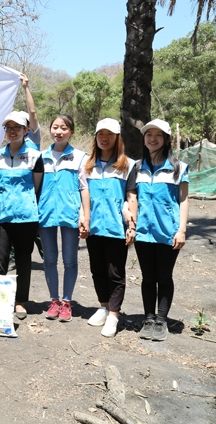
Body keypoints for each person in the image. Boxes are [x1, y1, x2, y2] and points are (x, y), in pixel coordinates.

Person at [127, 119, 189, 342]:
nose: (152, 138)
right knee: (147, 277)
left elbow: (183, 200)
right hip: (144, 232)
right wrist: (132, 226)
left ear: (167, 139)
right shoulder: (137, 167)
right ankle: (149, 318)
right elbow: (132, 197)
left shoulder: (178, 168)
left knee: (164, 276)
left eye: (158, 135)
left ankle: (161, 320)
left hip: (168, 232)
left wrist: (181, 230)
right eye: (148, 134)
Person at [84, 118, 137, 338]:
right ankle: (104, 306)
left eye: (110, 134)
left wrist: (132, 225)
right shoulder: (88, 165)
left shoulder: (128, 165)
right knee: (97, 270)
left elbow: (132, 195)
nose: (104, 138)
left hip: (116, 228)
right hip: (94, 228)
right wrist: (83, 218)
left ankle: (114, 315)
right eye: (100, 134)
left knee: (115, 273)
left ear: (117, 137)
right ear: (96, 137)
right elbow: (83, 195)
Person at [37, 115, 90, 322]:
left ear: (71, 132)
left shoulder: (80, 157)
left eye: (64, 128)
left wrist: (85, 215)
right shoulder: (41, 157)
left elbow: (84, 187)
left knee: (70, 260)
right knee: (49, 259)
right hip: (46, 213)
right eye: (55, 127)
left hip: (71, 214)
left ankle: (67, 302)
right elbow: (36, 186)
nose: (58, 131)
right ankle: (54, 300)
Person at [0, 111, 44, 320]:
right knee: (0, 259)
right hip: (2, 216)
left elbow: (37, 187)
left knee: (24, 260)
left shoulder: (35, 156)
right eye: (8, 127)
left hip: (26, 217)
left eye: (17, 128)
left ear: (25, 130)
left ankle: (20, 302)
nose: (12, 131)